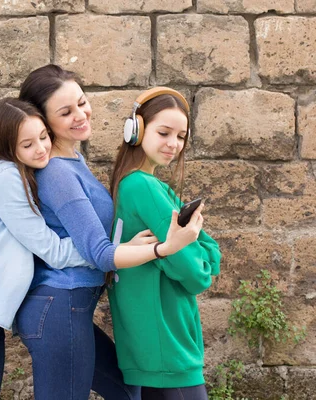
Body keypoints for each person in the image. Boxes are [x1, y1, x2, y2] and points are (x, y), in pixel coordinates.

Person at [0, 98, 154, 400]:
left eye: (43, 137)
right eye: (27, 144)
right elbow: (53, 251)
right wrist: (106, 249)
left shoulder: (28, 175)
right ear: (7, 147)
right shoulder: (6, 178)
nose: (42, 149)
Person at [14, 65, 204, 400]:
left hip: (70, 307)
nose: (80, 114)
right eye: (66, 111)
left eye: (82, 103)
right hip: (59, 305)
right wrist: (164, 248)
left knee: (129, 392)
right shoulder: (58, 173)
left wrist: (125, 245)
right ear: (43, 122)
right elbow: (99, 253)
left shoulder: (73, 160)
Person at [107, 87, 222, 400]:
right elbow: (197, 274)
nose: (174, 144)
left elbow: (206, 248)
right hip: (168, 345)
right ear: (136, 129)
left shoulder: (135, 184)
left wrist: (200, 250)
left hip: (152, 343)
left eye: (181, 136)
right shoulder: (144, 187)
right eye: (164, 132)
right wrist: (201, 256)